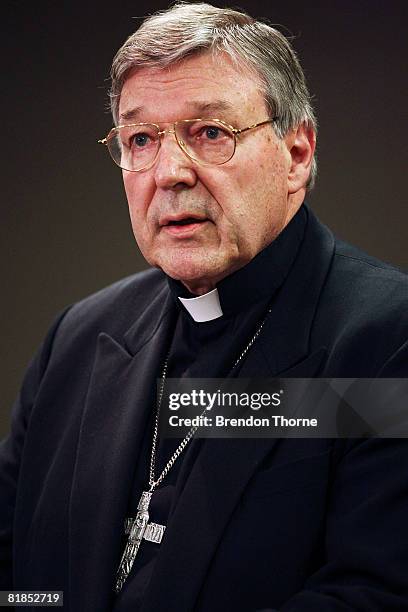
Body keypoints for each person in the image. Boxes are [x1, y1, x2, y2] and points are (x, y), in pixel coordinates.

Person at [1, 3, 407, 611]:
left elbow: (374, 595)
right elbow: (15, 573)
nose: (169, 173)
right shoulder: (80, 338)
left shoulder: (385, 341)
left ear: (296, 154)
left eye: (210, 133)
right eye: (140, 139)